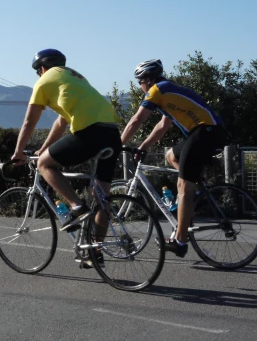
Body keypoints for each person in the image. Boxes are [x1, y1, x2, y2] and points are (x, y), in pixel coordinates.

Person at [11, 49, 122, 260]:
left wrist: (18, 152)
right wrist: (44, 148)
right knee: (101, 197)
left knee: (45, 165)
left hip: (90, 132)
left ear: (42, 69)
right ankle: (94, 251)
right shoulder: (74, 77)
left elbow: (29, 121)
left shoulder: (43, 82)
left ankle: (77, 206)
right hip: (112, 133)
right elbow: (61, 122)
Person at [121, 59, 226, 257]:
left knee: (183, 187)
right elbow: (162, 126)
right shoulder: (167, 92)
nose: (140, 86)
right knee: (171, 155)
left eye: (139, 82)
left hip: (205, 132)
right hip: (205, 132)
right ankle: (195, 194)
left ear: (148, 79)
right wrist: (143, 147)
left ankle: (180, 241)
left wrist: (118, 144)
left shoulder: (157, 91)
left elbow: (137, 120)